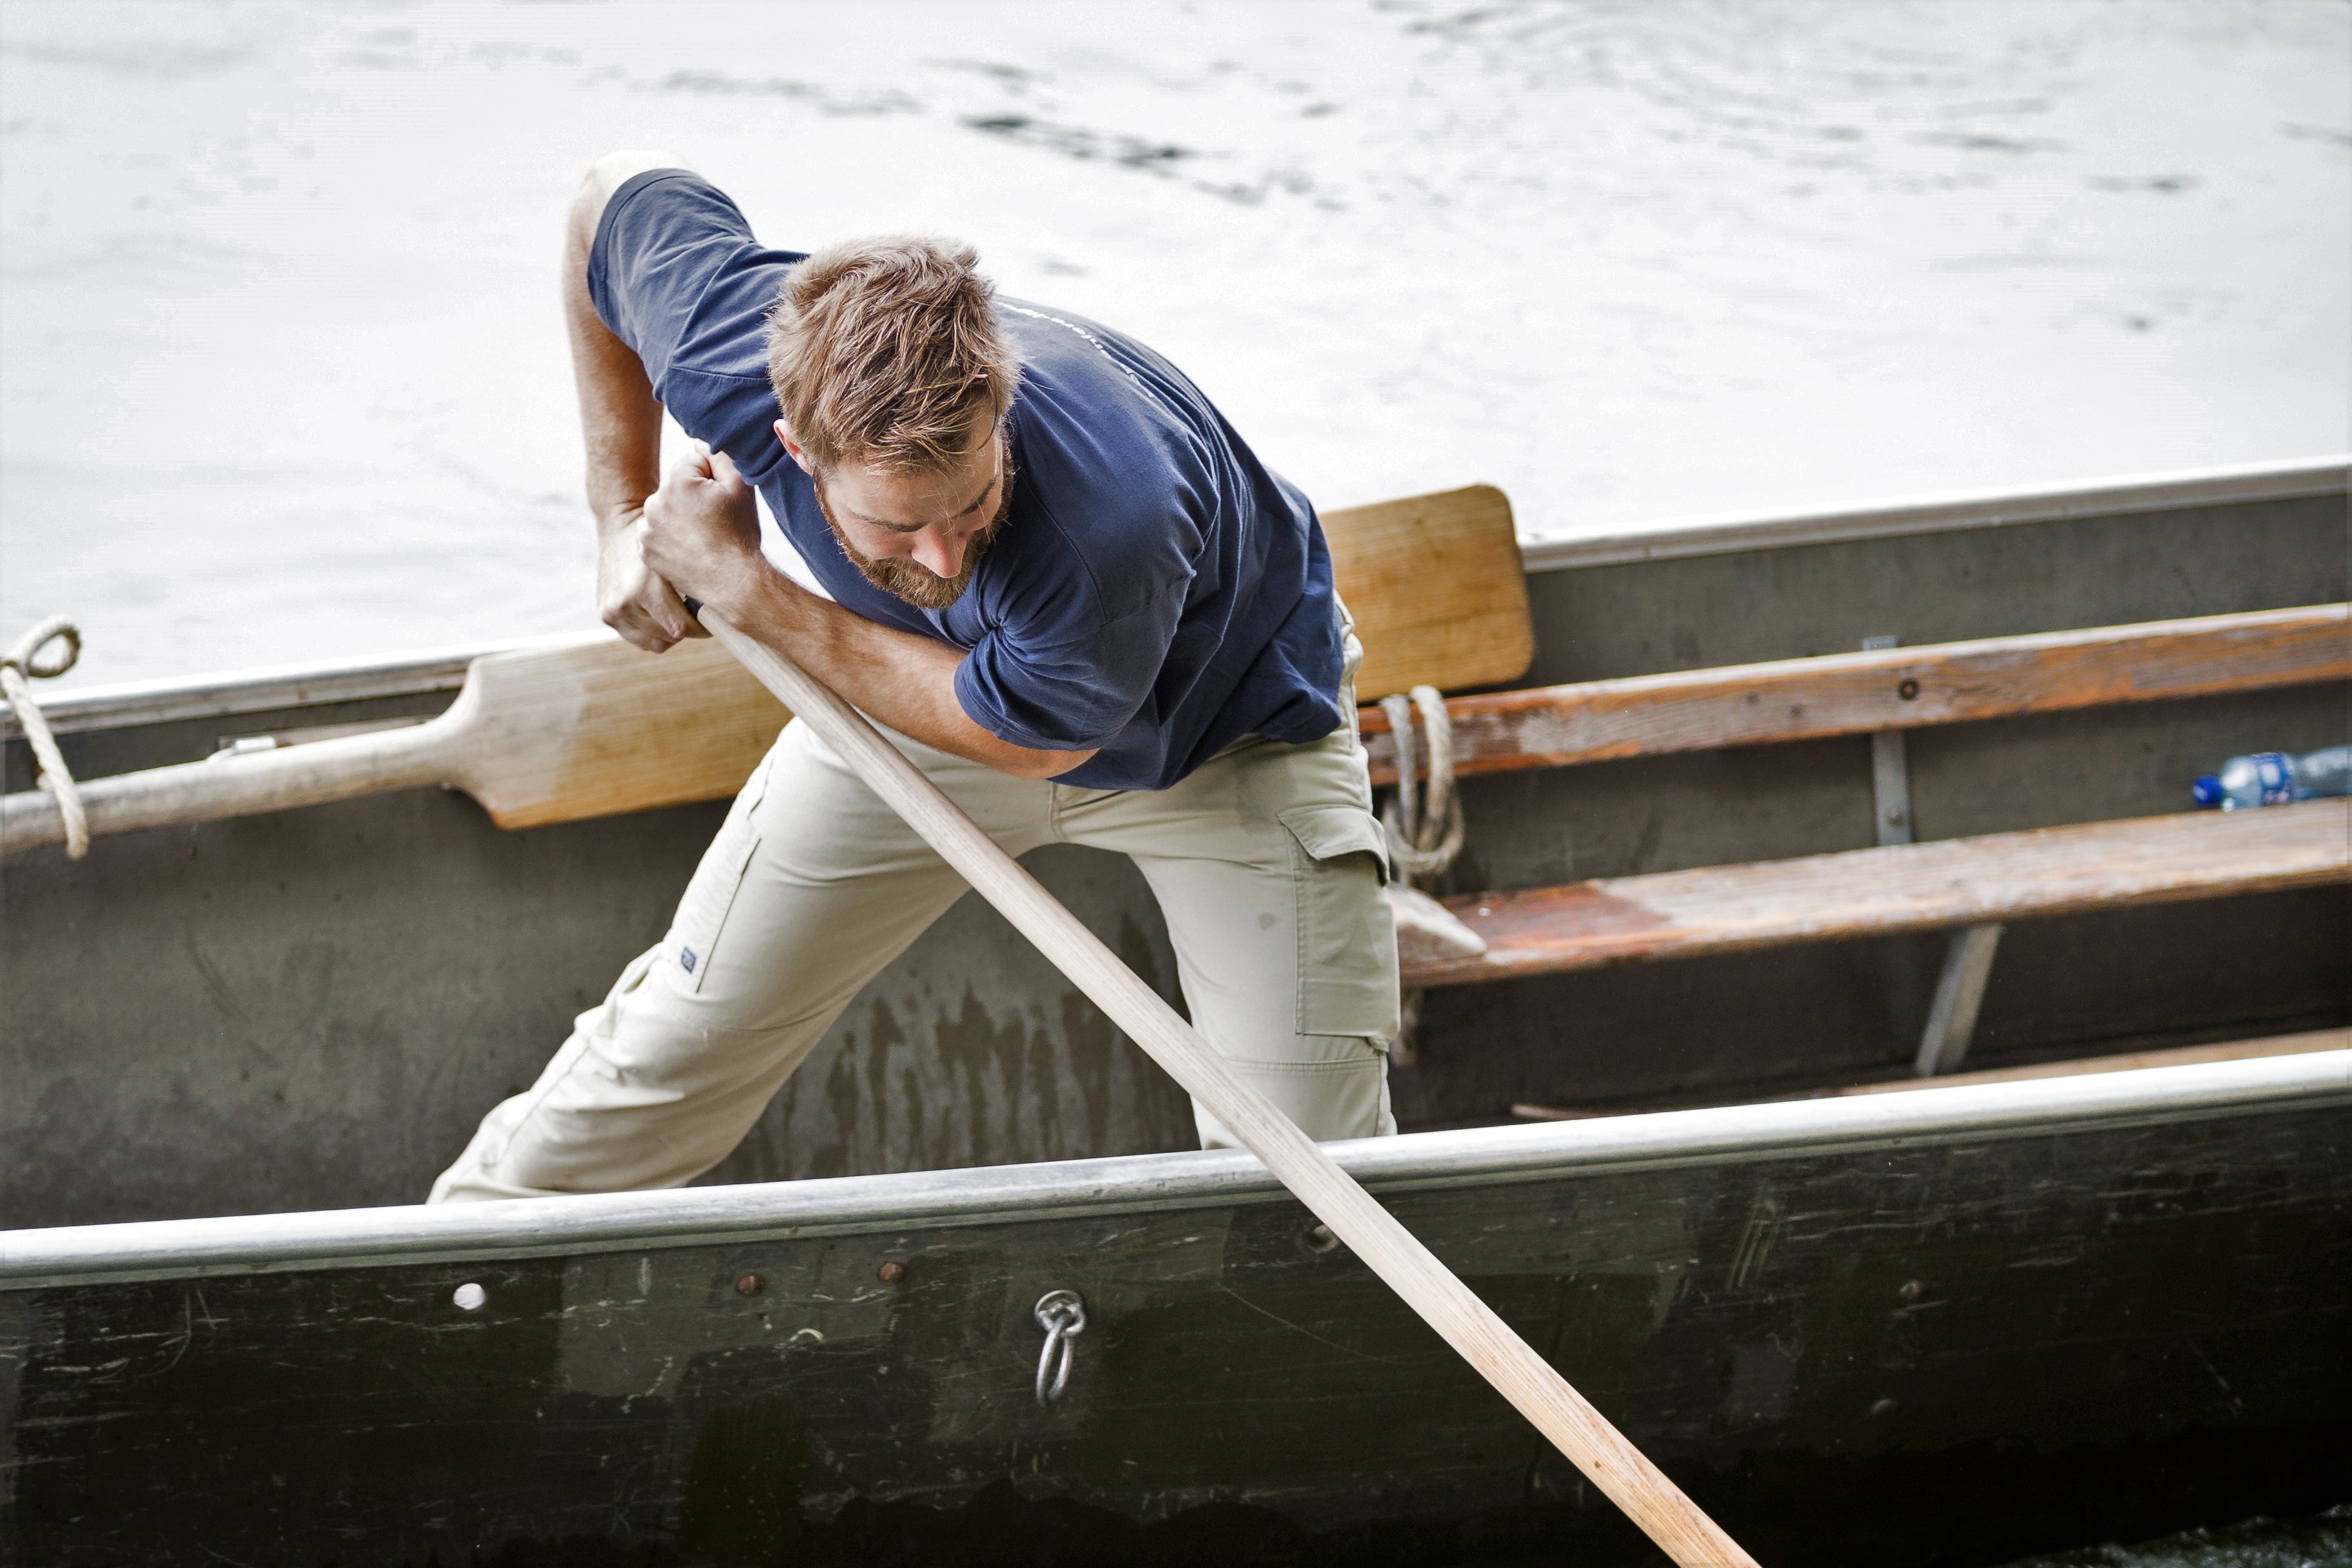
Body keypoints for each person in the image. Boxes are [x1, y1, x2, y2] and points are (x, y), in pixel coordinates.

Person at [429, 152, 1398, 1202]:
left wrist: (752, 594)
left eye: (974, 502)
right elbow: (601, 208)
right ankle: (457, 1267)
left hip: (1227, 732)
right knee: (672, 1048)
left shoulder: (1111, 521)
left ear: (1002, 398)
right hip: (917, 717)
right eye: (898, 523)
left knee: (1316, 1175)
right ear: (794, 445)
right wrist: (619, 517)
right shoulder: (728, 345)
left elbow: (1033, 740)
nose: (941, 557)